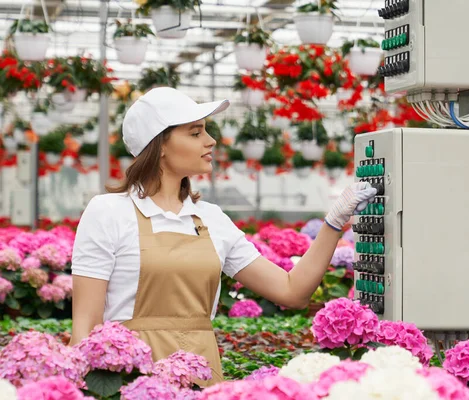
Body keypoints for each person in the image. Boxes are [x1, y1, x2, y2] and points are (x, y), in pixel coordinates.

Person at [69, 87, 377, 386]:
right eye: (195, 132)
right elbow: (85, 327)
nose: (211, 141)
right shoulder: (108, 212)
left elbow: (292, 292)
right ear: (159, 144)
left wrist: (334, 223)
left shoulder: (211, 218)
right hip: (130, 380)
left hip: (202, 379)